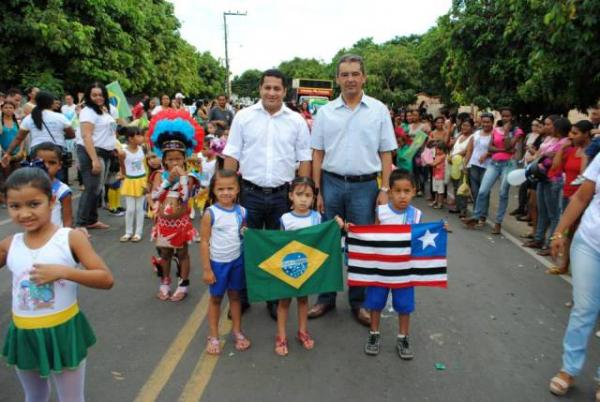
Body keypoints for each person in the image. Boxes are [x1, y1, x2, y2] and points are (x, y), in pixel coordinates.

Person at [0, 167, 113, 402]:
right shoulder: (10, 244)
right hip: (24, 333)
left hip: (63, 330)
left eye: (33, 204)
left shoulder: (69, 238)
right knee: (34, 396)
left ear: (51, 201)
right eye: (15, 206)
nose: (24, 213)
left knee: (71, 399)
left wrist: (65, 272)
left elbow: (105, 278)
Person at [309, 54, 396, 325]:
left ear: (364, 77)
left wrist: (384, 188)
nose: (350, 79)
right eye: (344, 74)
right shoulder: (325, 112)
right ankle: (325, 299)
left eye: (355, 74)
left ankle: (358, 302)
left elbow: (386, 153)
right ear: (337, 79)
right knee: (328, 243)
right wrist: (318, 191)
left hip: (365, 188)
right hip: (331, 184)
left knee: (360, 246)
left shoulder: (379, 110)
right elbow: (317, 154)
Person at [223, 69, 312, 320]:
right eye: (267, 88)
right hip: (249, 193)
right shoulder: (243, 117)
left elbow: (304, 158)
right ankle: (243, 296)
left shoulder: (296, 121)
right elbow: (232, 154)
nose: (271, 93)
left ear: (285, 91)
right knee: (244, 247)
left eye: (277, 88)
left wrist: (303, 192)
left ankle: (275, 300)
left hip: (282, 196)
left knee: (279, 249)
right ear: (260, 89)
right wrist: (227, 193)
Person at [548, 154, 600, 398]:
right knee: (584, 308)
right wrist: (559, 233)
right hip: (590, 243)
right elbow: (581, 196)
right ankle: (569, 369)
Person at [274, 177, 345, 356]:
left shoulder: (317, 217)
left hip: (306, 268)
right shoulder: (285, 218)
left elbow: (323, 237)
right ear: (291, 196)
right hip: (287, 267)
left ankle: (302, 331)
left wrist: (336, 225)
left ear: (314, 197)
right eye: (299, 195)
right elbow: (277, 244)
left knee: (303, 300)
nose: (303, 199)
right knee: (283, 302)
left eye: (308, 195)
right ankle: (281, 336)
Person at [363, 169, 422, 358]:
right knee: (375, 303)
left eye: (407, 191)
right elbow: (373, 236)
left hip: (404, 270)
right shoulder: (381, 212)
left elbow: (421, 239)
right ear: (390, 193)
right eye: (398, 191)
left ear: (414, 191)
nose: (402, 196)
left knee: (404, 306)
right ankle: (374, 334)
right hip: (380, 268)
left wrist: (440, 229)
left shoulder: (416, 215)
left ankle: (403, 337)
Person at [149, 110, 203, 302]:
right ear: (163, 160)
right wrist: (165, 182)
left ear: (184, 159)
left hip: (181, 223)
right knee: (165, 253)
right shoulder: (157, 176)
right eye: (170, 159)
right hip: (164, 223)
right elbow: (155, 197)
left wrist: (179, 178)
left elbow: (185, 196)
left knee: (182, 253)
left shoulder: (189, 177)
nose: (174, 162)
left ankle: (183, 284)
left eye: (178, 159)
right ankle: (165, 282)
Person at [200, 169, 251, 355]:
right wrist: (207, 269)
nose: (226, 192)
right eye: (221, 189)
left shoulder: (242, 211)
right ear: (213, 190)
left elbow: (243, 234)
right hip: (217, 263)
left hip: (236, 261)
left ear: (238, 189)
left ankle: (237, 331)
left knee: (235, 297)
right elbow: (204, 241)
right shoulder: (210, 213)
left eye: (230, 188)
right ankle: (213, 335)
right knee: (216, 299)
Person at [463, 107, 524, 234]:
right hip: (494, 163)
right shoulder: (496, 130)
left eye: (507, 116)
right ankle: (476, 216)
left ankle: (498, 223)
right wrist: (503, 150)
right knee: (482, 191)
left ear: (512, 117)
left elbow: (510, 146)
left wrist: (506, 133)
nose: (505, 118)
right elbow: (490, 148)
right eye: (503, 116)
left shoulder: (518, 132)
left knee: (502, 193)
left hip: (508, 165)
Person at [544, 120, 592, 275]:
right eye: (571, 132)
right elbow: (556, 167)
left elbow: (585, 175)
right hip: (566, 194)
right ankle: (564, 264)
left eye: (575, 133)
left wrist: (586, 155)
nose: (571, 136)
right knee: (567, 232)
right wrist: (562, 148)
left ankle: (579, 268)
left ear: (586, 134)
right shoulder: (571, 150)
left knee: (578, 233)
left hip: (582, 198)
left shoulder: (592, 154)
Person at [523, 117, 571, 255]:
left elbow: (553, 159)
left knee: (553, 214)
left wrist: (543, 157)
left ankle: (550, 244)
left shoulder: (565, 142)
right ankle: (539, 239)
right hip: (542, 177)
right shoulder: (550, 139)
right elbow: (542, 155)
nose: (549, 128)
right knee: (542, 210)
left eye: (552, 126)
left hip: (554, 179)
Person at [74, 83, 118, 230]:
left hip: (105, 152)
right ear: (89, 96)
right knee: (91, 187)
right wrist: (94, 160)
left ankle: (92, 220)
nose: (98, 97)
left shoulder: (104, 110)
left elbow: (111, 131)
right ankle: (80, 224)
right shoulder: (87, 112)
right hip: (92, 152)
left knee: (97, 188)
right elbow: (86, 136)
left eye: (101, 94)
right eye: (94, 95)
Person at [2, 92, 75, 182]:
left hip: (36, 151)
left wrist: (8, 153)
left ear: (36, 103)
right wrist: (61, 135)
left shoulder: (29, 118)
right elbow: (72, 135)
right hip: (57, 150)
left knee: (38, 180)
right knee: (58, 179)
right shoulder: (60, 117)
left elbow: (19, 138)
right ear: (51, 103)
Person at [32, 143, 74, 228]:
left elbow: (68, 220)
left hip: (55, 237)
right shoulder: (26, 186)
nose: (47, 166)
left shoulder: (62, 190)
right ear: (33, 163)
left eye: (52, 163)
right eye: (42, 162)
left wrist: (65, 237)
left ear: (59, 165)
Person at [118, 127, 147, 242]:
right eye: (138, 135)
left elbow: (147, 164)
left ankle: (138, 233)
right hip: (130, 181)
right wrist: (123, 176)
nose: (141, 138)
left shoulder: (143, 148)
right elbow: (122, 166)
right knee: (130, 209)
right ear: (130, 138)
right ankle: (128, 232)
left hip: (141, 180)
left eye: (141, 135)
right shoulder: (123, 152)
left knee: (140, 208)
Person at [448, 118, 474, 218]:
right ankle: (458, 207)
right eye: (463, 125)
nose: (464, 127)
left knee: (461, 187)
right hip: (454, 164)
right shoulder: (460, 135)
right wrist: (451, 156)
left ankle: (463, 209)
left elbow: (467, 151)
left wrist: (455, 157)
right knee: (455, 186)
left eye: (467, 125)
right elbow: (453, 147)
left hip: (463, 164)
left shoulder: (472, 137)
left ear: (472, 127)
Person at [430, 142, 448, 209]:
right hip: (435, 174)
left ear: (444, 150)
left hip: (440, 176)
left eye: (440, 150)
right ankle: (436, 201)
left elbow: (434, 164)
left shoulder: (443, 156)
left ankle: (440, 203)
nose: (438, 151)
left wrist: (427, 161)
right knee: (436, 189)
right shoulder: (437, 155)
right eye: (437, 149)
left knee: (440, 191)